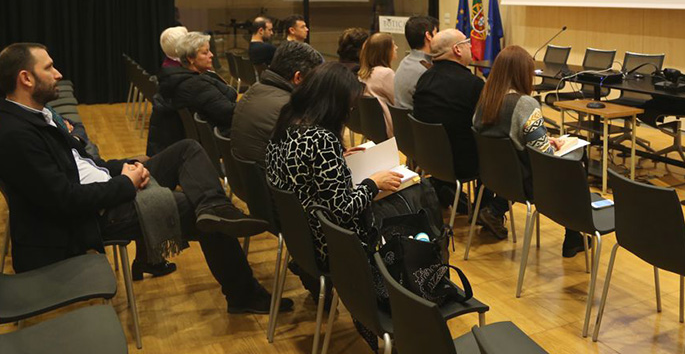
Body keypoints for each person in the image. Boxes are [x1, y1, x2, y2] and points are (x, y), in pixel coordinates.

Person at [0, 42, 291, 314]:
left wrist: (125, 167)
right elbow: (65, 201)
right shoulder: (17, 134)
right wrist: (125, 184)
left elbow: (86, 164)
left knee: (187, 150)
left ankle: (217, 208)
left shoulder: (35, 116)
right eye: (49, 68)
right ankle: (244, 295)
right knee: (195, 211)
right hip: (85, 221)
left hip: (103, 189)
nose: (58, 73)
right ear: (26, 78)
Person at [265, 62, 402, 271]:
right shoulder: (321, 139)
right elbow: (342, 211)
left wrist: (338, 158)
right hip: (330, 244)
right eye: (349, 106)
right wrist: (373, 183)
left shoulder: (287, 120)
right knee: (401, 202)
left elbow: (302, 170)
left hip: (300, 236)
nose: (350, 111)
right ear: (333, 104)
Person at [472, 45, 585, 255]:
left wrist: (545, 139)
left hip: (496, 179)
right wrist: (557, 146)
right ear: (521, 74)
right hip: (528, 185)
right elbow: (544, 157)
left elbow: (511, 138)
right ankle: (573, 237)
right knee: (576, 160)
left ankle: (496, 208)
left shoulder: (485, 100)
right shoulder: (525, 104)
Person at [412, 29, 487, 224]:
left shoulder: (424, 80)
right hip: (460, 164)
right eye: (467, 42)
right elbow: (486, 126)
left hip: (429, 159)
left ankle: (447, 191)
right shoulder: (473, 85)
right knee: (499, 148)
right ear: (457, 50)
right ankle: (487, 210)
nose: (471, 46)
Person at [231, 41, 323, 165]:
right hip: (272, 180)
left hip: (248, 179)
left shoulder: (252, 91)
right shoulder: (291, 111)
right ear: (298, 78)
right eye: (313, 80)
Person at [394, 15, 438, 109]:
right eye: (436, 33)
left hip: (402, 122)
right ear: (428, 36)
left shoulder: (404, 61)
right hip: (416, 121)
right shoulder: (426, 70)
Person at [358, 32, 397, 137]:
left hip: (373, 128)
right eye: (393, 46)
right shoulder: (385, 74)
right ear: (385, 51)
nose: (396, 48)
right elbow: (398, 102)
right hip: (391, 129)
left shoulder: (363, 73)